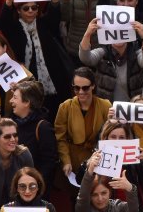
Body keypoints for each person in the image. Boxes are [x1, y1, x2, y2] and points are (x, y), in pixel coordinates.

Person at [53, 67, 112, 196]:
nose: (80, 92)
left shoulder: (105, 106)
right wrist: (66, 160)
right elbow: (60, 138)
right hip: (74, 164)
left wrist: (114, 119)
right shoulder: (65, 107)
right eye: (76, 88)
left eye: (85, 88)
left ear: (93, 86)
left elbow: (111, 135)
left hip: (98, 161)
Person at [9, 82, 58, 187]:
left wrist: (34, 185)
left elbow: (49, 163)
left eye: (15, 97)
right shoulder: (12, 123)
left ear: (27, 102)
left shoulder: (43, 127)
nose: (11, 101)